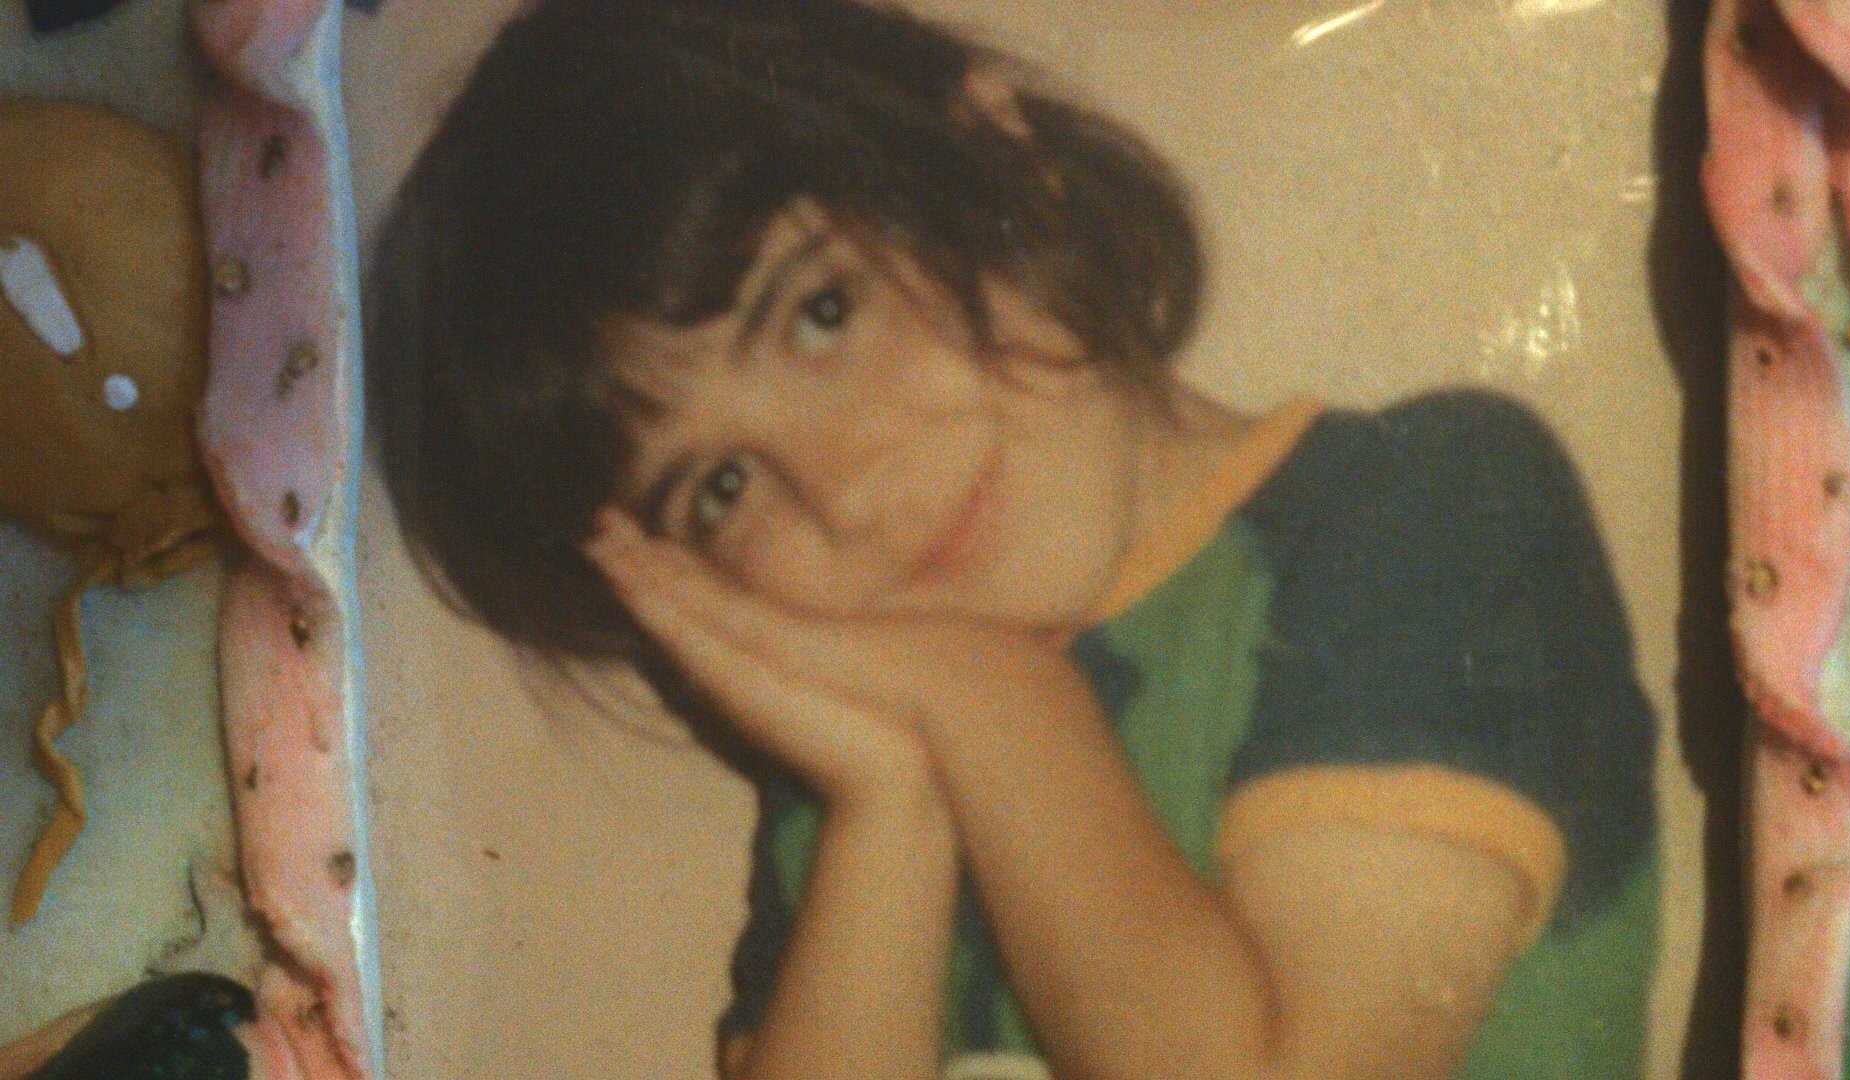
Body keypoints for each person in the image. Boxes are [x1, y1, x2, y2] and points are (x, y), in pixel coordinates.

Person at [365, 1, 1660, 1077]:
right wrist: (888, 814)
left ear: (1001, 158)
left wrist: (1000, 704)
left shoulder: (1427, 510)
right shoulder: (856, 771)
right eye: (718, 490)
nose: (845, 485)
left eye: (822, 310)